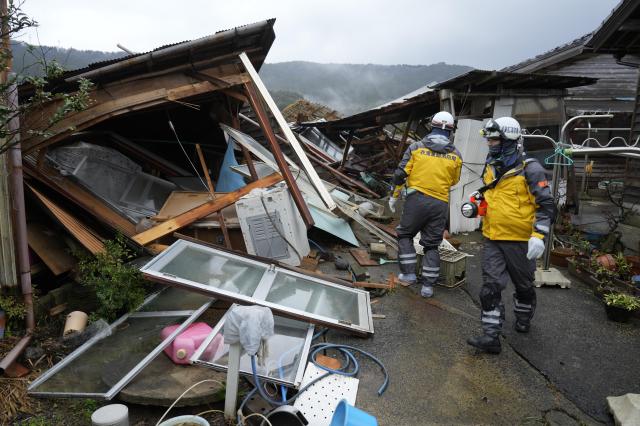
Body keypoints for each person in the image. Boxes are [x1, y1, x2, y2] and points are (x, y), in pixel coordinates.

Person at [466, 117, 555, 354]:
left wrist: (539, 235)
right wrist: (479, 202)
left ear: (509, 139)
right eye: (489, 140)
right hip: (493, 238)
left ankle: (524, 318)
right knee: (490, 288)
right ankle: (491, 337)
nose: (490, 144)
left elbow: (546, 205)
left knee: (524, 287)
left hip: (521, 242)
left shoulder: (531, 169)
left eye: (494, 139)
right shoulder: (491, 164)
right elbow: (492, 195)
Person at [388, 111, 462, 298]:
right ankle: (428, 287)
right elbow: (454, 181)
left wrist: (394, 196)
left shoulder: (416, 148)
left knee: (405, 235)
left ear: (432, 125)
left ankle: (408, 275)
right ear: (451, 131)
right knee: (432, 245)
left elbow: (400, 174)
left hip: (416, 200)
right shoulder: (456, 155)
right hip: (440, 204)